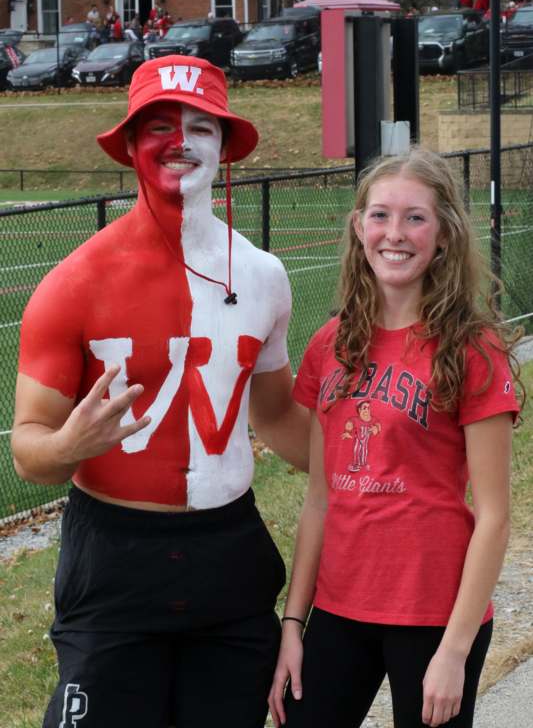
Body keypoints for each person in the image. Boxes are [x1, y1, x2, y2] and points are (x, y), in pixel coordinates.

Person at [11, 55, 310, 728]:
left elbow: (277, 417)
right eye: (159, 126)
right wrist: (69, 444)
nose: (180, 141)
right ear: (128, 147)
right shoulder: (74, 282)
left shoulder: (263, 276)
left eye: (200, 126)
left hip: (228, 554)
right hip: (114, 558)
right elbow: (29, 453)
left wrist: (373, 458)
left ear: (225, 145)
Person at [269, 147, 523, 728]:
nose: (396, 234)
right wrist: (293, 625)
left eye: (416, 217)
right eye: (381, 215)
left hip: (434, 613)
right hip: (340, 608)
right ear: (359, 227)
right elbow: (319, 499)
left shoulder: (472, 348)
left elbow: (493, 518)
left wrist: (455, 653)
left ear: (444, 235)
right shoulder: (330, 343)